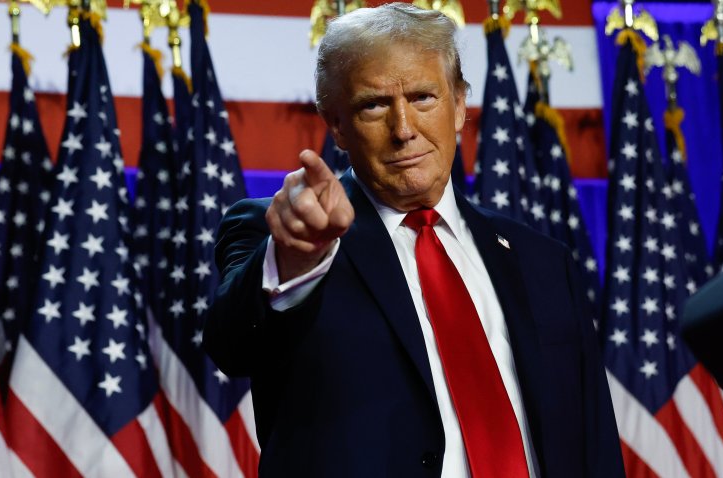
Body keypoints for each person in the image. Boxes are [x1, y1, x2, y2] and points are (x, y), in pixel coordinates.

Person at [205, 4, 624, 477]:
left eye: (424, 97)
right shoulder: (282, 236)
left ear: (460, 105)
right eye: (374, 105)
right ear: (337, 124)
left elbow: (593, 443)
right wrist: (297, 259)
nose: (404, 130)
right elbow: (233, 346)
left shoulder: (543, 262)